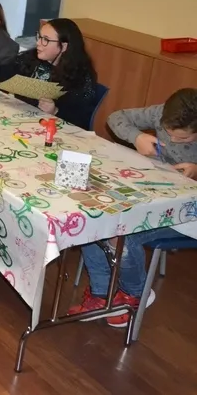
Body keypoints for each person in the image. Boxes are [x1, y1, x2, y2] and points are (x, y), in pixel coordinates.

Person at [67, 88, 197, 326]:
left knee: (125, 236)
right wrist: (138, 137)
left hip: (187, 213)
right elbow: (116, 118)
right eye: (170, 134)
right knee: (95, 220)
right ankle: (102, 294)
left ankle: (135, 294)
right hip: (156, 192)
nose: (174, 140)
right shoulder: (161, 113)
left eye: (184, 139)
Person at [0, 18, 98, 129]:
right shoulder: (30, 59)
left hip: (54, 134)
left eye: (46, 40)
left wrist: (55, 111)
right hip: (21, 123)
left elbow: (81, 121)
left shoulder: (80, 75)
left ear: (64, 46)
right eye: (39, 37)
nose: (38, 43)